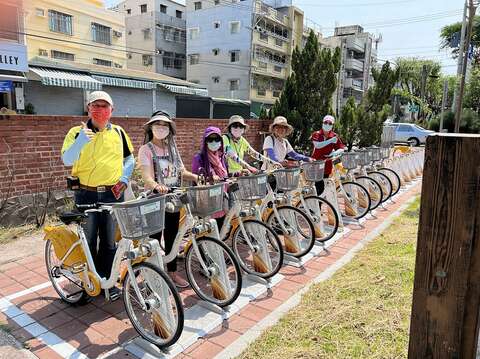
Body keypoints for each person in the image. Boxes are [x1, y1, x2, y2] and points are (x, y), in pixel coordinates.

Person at [61, 91, 135, 300]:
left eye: (105, 106)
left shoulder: (119, 132)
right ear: (88, 108)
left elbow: (129, 159)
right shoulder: (76, 132)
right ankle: (88, 284)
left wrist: (124, 179)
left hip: (113, 194)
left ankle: (107, 282)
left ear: (112, 110)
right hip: (86, 194)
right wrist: (80, 142)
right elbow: (67, 159)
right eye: (96, 105)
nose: (100, 110)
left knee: (110, 241)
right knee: (89, 240)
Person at [138, 112, 198, 288]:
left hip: (173, 198)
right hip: (154, 201)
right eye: (157, 124)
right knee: (154, 239)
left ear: (169, 129)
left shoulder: (172, 148)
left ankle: (172, 272)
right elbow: (146, 177)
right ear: (151, 127)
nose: (161, 128)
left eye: (165, 125)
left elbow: (181, 171)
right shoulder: (146, 149)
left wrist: (196, 177)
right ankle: (152, 274)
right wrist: (156, 185)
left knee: (173, 237)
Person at [192, 126, 229, 229]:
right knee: (206, 232)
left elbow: (227, 175)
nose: (214, 142)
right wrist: (210, 178)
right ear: (205, 141)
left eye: (216, 139)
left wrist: (239, 173)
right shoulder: (199, 158)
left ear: (221, 141)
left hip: (220, 198)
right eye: (210, 139)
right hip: (205, 202)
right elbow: (197, 179)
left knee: (219, 230)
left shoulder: (222, 157)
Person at [311, 115, 345, 195]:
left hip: (327, 164)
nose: (327, 125)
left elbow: (341, 148)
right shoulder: (316, 134)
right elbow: (317, 145)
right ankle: (315, 205)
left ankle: (319, 204)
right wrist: (330, 141)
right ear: (322, 123)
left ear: (332, 125)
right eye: (326, 122)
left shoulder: (334, 136)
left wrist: (333, 154)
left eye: (330, 123)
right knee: (317, 186)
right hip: (316, 163)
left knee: (323, 187)